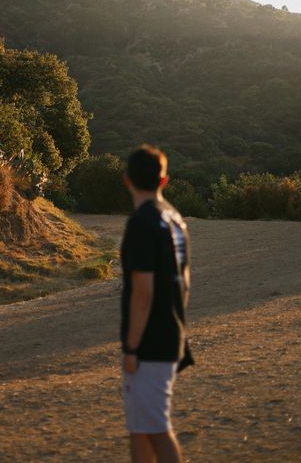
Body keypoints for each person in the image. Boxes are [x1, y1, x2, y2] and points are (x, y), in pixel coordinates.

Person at [120, 144, 192, 463]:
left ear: (127, 180)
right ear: (163, 181)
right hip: (172, 332)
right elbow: (185, 283)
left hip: (150, 342)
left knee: (157, 428)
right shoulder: (175, 219)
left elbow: (143, 293)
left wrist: (132, 348)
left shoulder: (141, 223)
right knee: (141, 427)